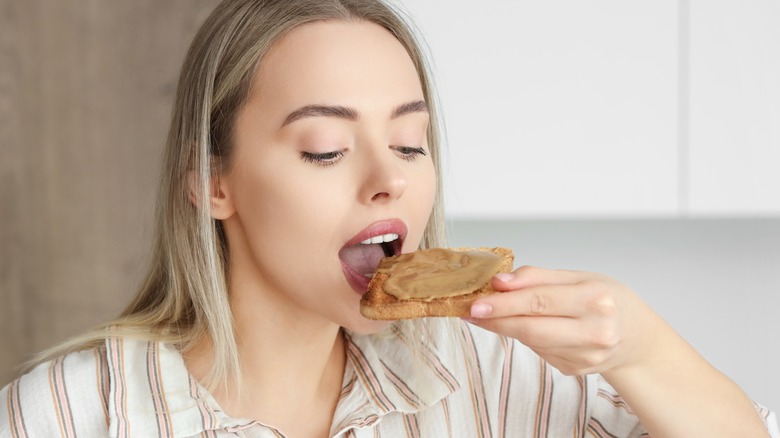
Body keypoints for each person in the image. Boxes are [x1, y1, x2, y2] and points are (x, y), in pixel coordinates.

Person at [1, 0, 777, 436]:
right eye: (326, 149)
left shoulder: (486, 375)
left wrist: (641, 349)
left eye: (410, 142)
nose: (390, 180)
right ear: (212, 185)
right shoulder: (70, 415)